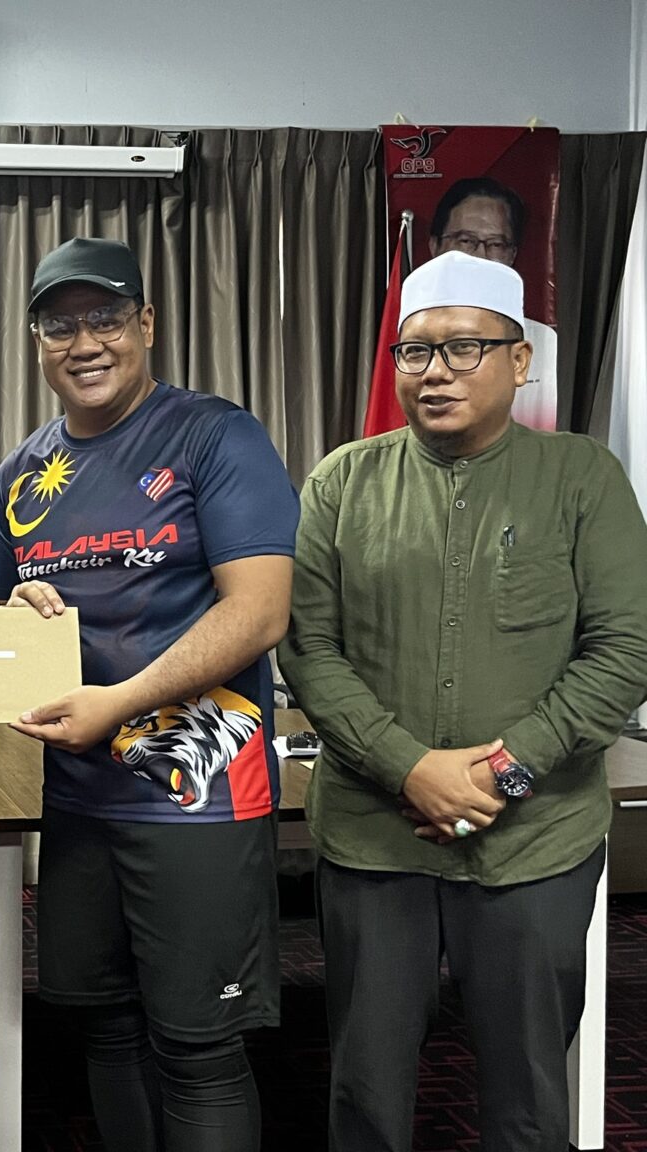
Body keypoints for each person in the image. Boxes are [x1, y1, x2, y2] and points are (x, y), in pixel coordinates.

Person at [277, 251, 647, 1151]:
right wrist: (409, 768)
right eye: (415, 352)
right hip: (376, 840)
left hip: (536, 842)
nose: (435, 371)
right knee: (366, 1090)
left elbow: (624, 650)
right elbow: (309, 646)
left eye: (464, 348)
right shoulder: (342, 482)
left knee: (527, 1094)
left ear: (520, 361)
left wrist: (501, 772)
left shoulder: (583, 478)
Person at [0, 238, 299, 1151]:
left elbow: (260, 613)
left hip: (201, 801)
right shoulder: (21, 472)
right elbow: (15, 624)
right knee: (109, 1029)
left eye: (106, 319)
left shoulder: (216, 435)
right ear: (37, 341)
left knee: (200, 1050)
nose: (85, 343)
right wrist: (15, 615)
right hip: (80, 799)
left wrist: (118, 702)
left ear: (147, 324)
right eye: (60, 326)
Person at [429, 175, 558, 430]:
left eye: (496, 244)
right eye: (466, 240)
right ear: (435, 246)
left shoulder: (542, 341)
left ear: (512, 255)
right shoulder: (408, 336)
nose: (481, 256)